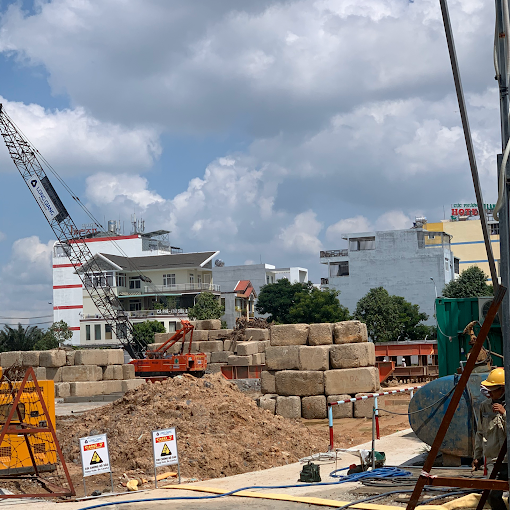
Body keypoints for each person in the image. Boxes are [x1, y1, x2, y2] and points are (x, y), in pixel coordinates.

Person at [472, 367, 507, 510]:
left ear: (503, 389)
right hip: (494, 459)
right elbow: (480, 433)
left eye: (493, 389)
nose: (489, 393)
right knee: (492, 495)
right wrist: (477, 456)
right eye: (488, 389)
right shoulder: (484, 407)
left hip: (509, 459)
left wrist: (505, 414)